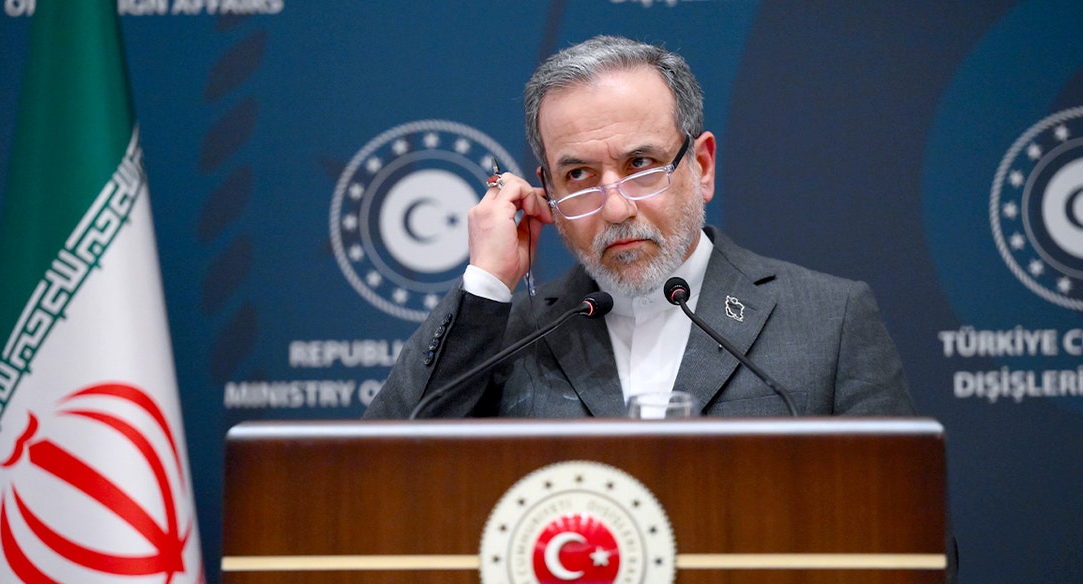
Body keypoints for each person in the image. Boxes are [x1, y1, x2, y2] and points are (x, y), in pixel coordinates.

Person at [364, 35, 914, 420]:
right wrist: (486, 282)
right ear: (547, 192)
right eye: (577, 175)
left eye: (641, 165)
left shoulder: (830, 321)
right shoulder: (510, 338)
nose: (616, 208)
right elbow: (381, 475)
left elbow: (908, 544)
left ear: (701, 166)